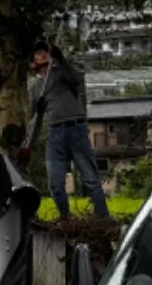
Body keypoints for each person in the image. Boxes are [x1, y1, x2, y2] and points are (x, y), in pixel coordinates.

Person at [23, 35, 110, 220]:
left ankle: (103, 218)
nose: (43, 54)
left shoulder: (63, 72)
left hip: (76, 129)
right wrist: (27, 145)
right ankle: (65, 219)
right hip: (55, 133)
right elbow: (36, 121)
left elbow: (77, 78)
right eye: (38, 53)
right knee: (55, 184)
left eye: (44, 51)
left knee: (91, 179)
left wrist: (61, 59)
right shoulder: (36, 89)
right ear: (32, 64)